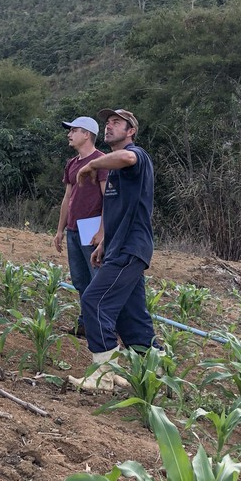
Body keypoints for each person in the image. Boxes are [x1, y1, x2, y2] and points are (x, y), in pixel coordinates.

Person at [69, 108, 157, 392]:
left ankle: (103, 376)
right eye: (107, 123)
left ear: (131, 131)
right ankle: (156, 375)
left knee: (94, 301)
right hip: (119, 247)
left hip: (131, 247)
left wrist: (92, 165)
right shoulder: (117, 174)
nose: (109, 126)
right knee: (131, 317)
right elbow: (115, 211)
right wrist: (104, 243)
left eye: (116, 123)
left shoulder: (136, 156)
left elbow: (128, 158)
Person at [53, 116, 109, 338]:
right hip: (74, 228)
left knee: (97, 278)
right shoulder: (72, 163)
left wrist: (102, 231)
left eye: (74, 130)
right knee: (80, 279)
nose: (69, 134)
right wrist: (60, 230)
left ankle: (102, 327)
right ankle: (85, 324)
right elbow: (67, 198)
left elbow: (108, 199)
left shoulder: (102, 161)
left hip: (91, 227)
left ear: (87, 134)